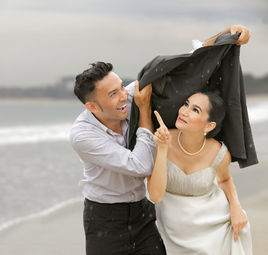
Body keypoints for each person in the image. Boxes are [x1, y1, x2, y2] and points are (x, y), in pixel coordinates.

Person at [70, 24, 250, 255]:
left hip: (143, 214)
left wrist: (227, 36)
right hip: (105, 219)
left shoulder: (127, 97)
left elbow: (183, 67)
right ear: (92, 106)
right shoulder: (83, 135)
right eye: (113, 94)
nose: (124, 96)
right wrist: (144, 111)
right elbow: (140, 165)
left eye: (120, 88)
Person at [148, 91, 252, 254]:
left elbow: (225, 180)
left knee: (240, 226)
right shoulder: (161, 139)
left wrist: (236, 207)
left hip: (210, 221)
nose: (184, 111)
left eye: (195, 110)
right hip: (171, 225)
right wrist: (162, 148)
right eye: (186, 104)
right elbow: (155, 196)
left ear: (209, 125)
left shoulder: (219, 152)